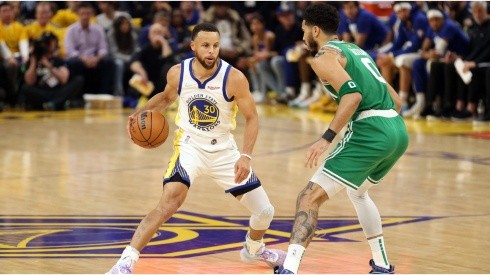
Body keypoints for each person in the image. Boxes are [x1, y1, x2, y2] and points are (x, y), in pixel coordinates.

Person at [106, 22, 286, 274]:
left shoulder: (234, 77)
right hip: (190, 147)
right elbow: (166, 97)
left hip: (224, 151)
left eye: (215, 45)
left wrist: (245, 156)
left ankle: (254, 249)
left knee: (265, 211)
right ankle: (125, 262)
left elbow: (253, 118)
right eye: (205, 46)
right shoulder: (178, 73)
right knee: (169, 202)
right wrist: (139, 114)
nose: (211, 51)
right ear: (193, 47)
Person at [274, 3, 408, 274]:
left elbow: (353, 96)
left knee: (308, 198)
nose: (302, 37)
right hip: (397, 130)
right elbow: (397, 101)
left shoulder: (323, 56)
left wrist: (327, 138)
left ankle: (289, 268)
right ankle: (381, 264)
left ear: (314, 30)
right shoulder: (356, 50)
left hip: (372, 130)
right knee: (358, 192)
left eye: (303, 31)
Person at [21, 32, 83, 111]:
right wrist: (33, 62)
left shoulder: (58, 60)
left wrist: (48, 65)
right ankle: (56, 103)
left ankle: (53, 103)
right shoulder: (32, 61)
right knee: (25, 88)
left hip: (58, 91)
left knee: (78, 80)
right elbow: (29, 82)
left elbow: (63, 80)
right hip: (42, 92)